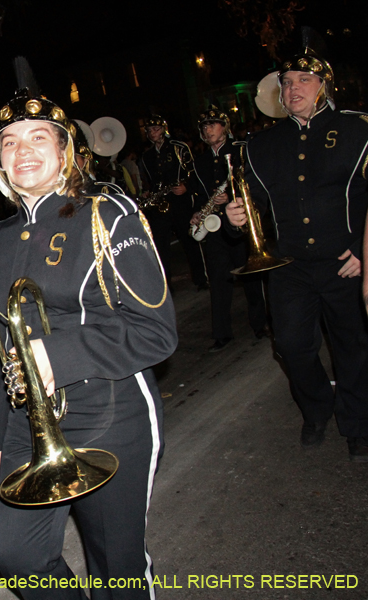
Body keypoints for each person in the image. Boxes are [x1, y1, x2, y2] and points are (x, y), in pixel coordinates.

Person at [0, 86, 177, 599]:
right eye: (9, 142)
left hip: (112, 408)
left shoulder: (107, 214)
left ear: (65, 151)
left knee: (115, 569)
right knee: (20, 561)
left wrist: (53, 356)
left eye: (39, 137)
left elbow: (156, 331)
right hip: (26, 421)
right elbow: (0, 352)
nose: (24, 150)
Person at [225, 40, 368, 461]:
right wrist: (237, 221)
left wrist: (365, 252)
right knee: (289, 345)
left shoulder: (360, 131)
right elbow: (254, 211)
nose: (293, 89)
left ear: (326, 85)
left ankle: (357, 424)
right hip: (288, 265)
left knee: (352, 346)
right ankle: (318, 409)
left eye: (305, 80)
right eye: (287, 82)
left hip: (347, 261)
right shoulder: (262, 145)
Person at [189, 105, 268, 352]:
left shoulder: (241, 151)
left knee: (250, 275)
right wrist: (197, 211)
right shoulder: (199, 160)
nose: (208, 129)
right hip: (213, 225)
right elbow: (199, 193)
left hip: (239, 222)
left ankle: (260, 324)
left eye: (213, 124)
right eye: (204, 126)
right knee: (218, 280)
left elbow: (255, 185)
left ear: (225, 127)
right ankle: (222, 333)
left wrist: (233, 197)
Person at [140, 115, 209, 291]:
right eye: (149, 130)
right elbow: (149, 180)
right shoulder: (146, 156)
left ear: (163, 129)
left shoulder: (179, 147)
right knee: (160, 244)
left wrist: (186, 186)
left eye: (155, 129)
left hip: (180, 200)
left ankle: (201, 278)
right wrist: (148, 192)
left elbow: (193, 172)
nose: (152, 133)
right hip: (160, 203)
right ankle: (166, 286)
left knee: (190, 240)